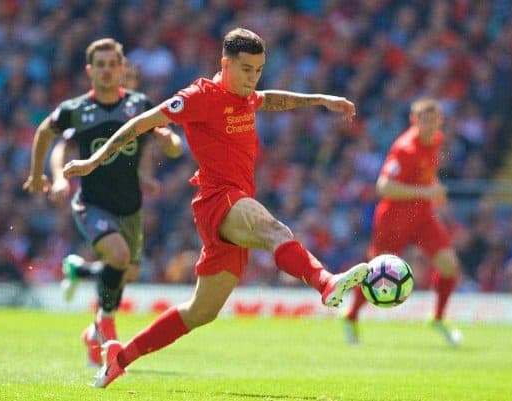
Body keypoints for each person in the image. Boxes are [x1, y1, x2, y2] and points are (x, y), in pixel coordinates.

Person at [62, 28, 370, 388]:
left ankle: (120, 356)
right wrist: (92, 161)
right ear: (225, 64)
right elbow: (141, 123)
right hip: (217, 198)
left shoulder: (247, 95)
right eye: (246, 69)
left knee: (200, 312)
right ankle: (326, 282)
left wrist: (320, 99)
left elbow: (270, 99)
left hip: (233, 203)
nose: (252, 78)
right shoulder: (199, 96)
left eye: (258, 70)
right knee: (274, 230)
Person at [23, 38, 182, 367]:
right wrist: (45, 176)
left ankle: (82, 281)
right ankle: (106, 325)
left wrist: (169, 142)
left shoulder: (139, 104)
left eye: (113, 64)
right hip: (92, 203)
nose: (107, 71)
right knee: (120, 257)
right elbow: (45, 134)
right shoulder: (76, 110)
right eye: (101, 65)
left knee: (126, 271)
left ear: (122, 69)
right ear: (90, 70)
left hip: (131, 208)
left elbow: (169, 145)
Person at [342, 98, 463, 346]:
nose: (430, 125)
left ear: (440, 120)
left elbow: (425, 178)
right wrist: (425, 192)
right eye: (425, 120)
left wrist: (434, 190)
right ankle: (351, 316)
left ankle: (438, 318)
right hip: (394, 220)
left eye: (434, 119)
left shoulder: (437, 141)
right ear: (414, 121)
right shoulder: (405, 148)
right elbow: (384, 187)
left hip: (422, 217)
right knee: (376, 272)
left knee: (449, 265)